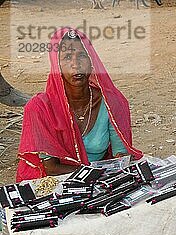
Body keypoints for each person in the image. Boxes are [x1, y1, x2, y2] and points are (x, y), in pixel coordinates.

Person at [16, 27, 142, 182]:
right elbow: (51, 168)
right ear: (57, 65)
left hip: (100, 181)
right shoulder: (39, 108)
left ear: (91, 61)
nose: (76, 64)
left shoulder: (111, 102)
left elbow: (120, 156)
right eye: (67, 57)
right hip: (56, 183)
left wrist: (112, 173)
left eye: (82, 56)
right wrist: (95, 173)